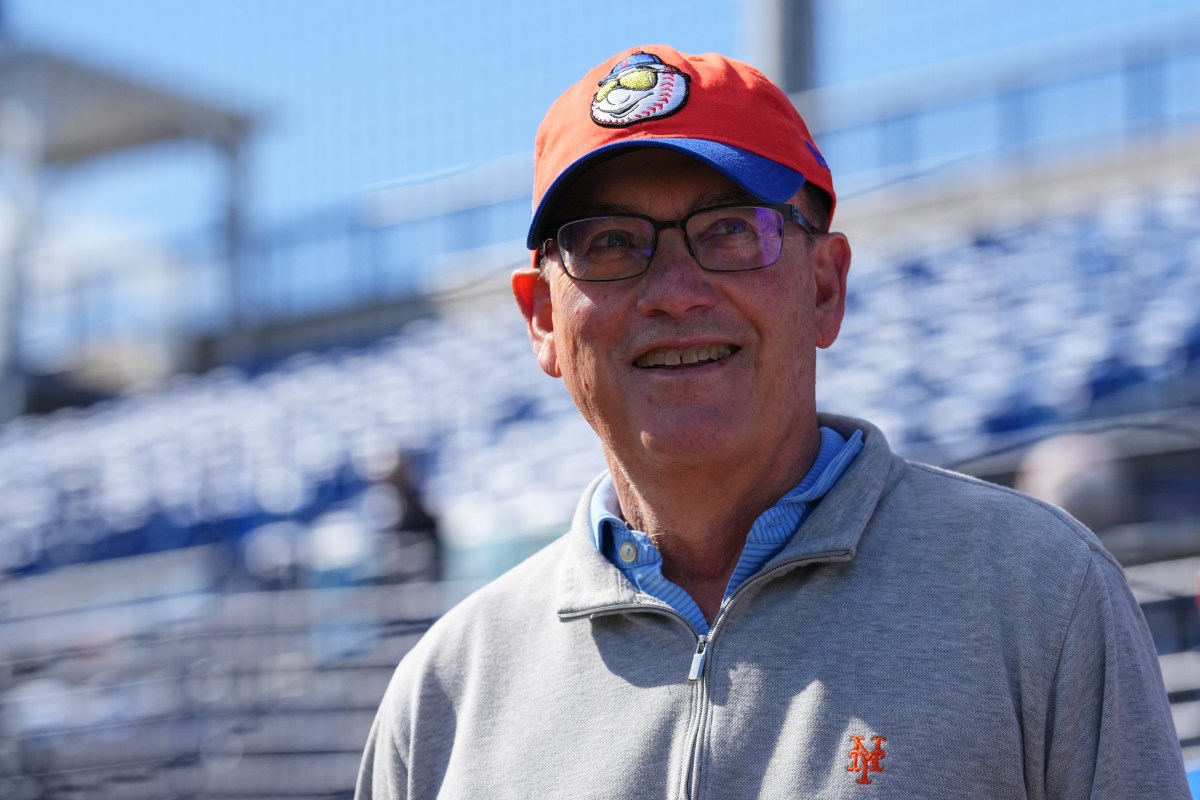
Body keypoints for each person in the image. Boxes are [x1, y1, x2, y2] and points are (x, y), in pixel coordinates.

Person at [356, 45, 1189, 798]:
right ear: (542, 318)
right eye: (609, 244)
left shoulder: (1038, 591)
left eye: (729, 231)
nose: (674, 292)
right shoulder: (445, 697)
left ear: (825, 287)